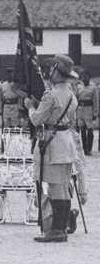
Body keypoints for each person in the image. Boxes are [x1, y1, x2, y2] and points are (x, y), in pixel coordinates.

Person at [25, 54, 79, 243]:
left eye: (52, 69)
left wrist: (31, 106)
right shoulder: (70, 93)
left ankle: (56, 230)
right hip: (66, 141)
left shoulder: (51, 94)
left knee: (56, 188)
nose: (49, 72)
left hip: (53, 143)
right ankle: (62, 228)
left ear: (57, 71)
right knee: (63, 187)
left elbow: (37, 119)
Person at [75, 70, 98, 155]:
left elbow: (95, 101)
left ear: (89, 78)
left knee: (90, 130)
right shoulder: (79, 87)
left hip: (89, 109)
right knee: (82, 130)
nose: (84, 79)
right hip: (81, 109)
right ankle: (84, 149)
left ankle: (89, 148)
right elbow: (76, 100)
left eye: (86, 77)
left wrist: (95, 113)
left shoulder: (93, 88)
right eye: (82, 77)